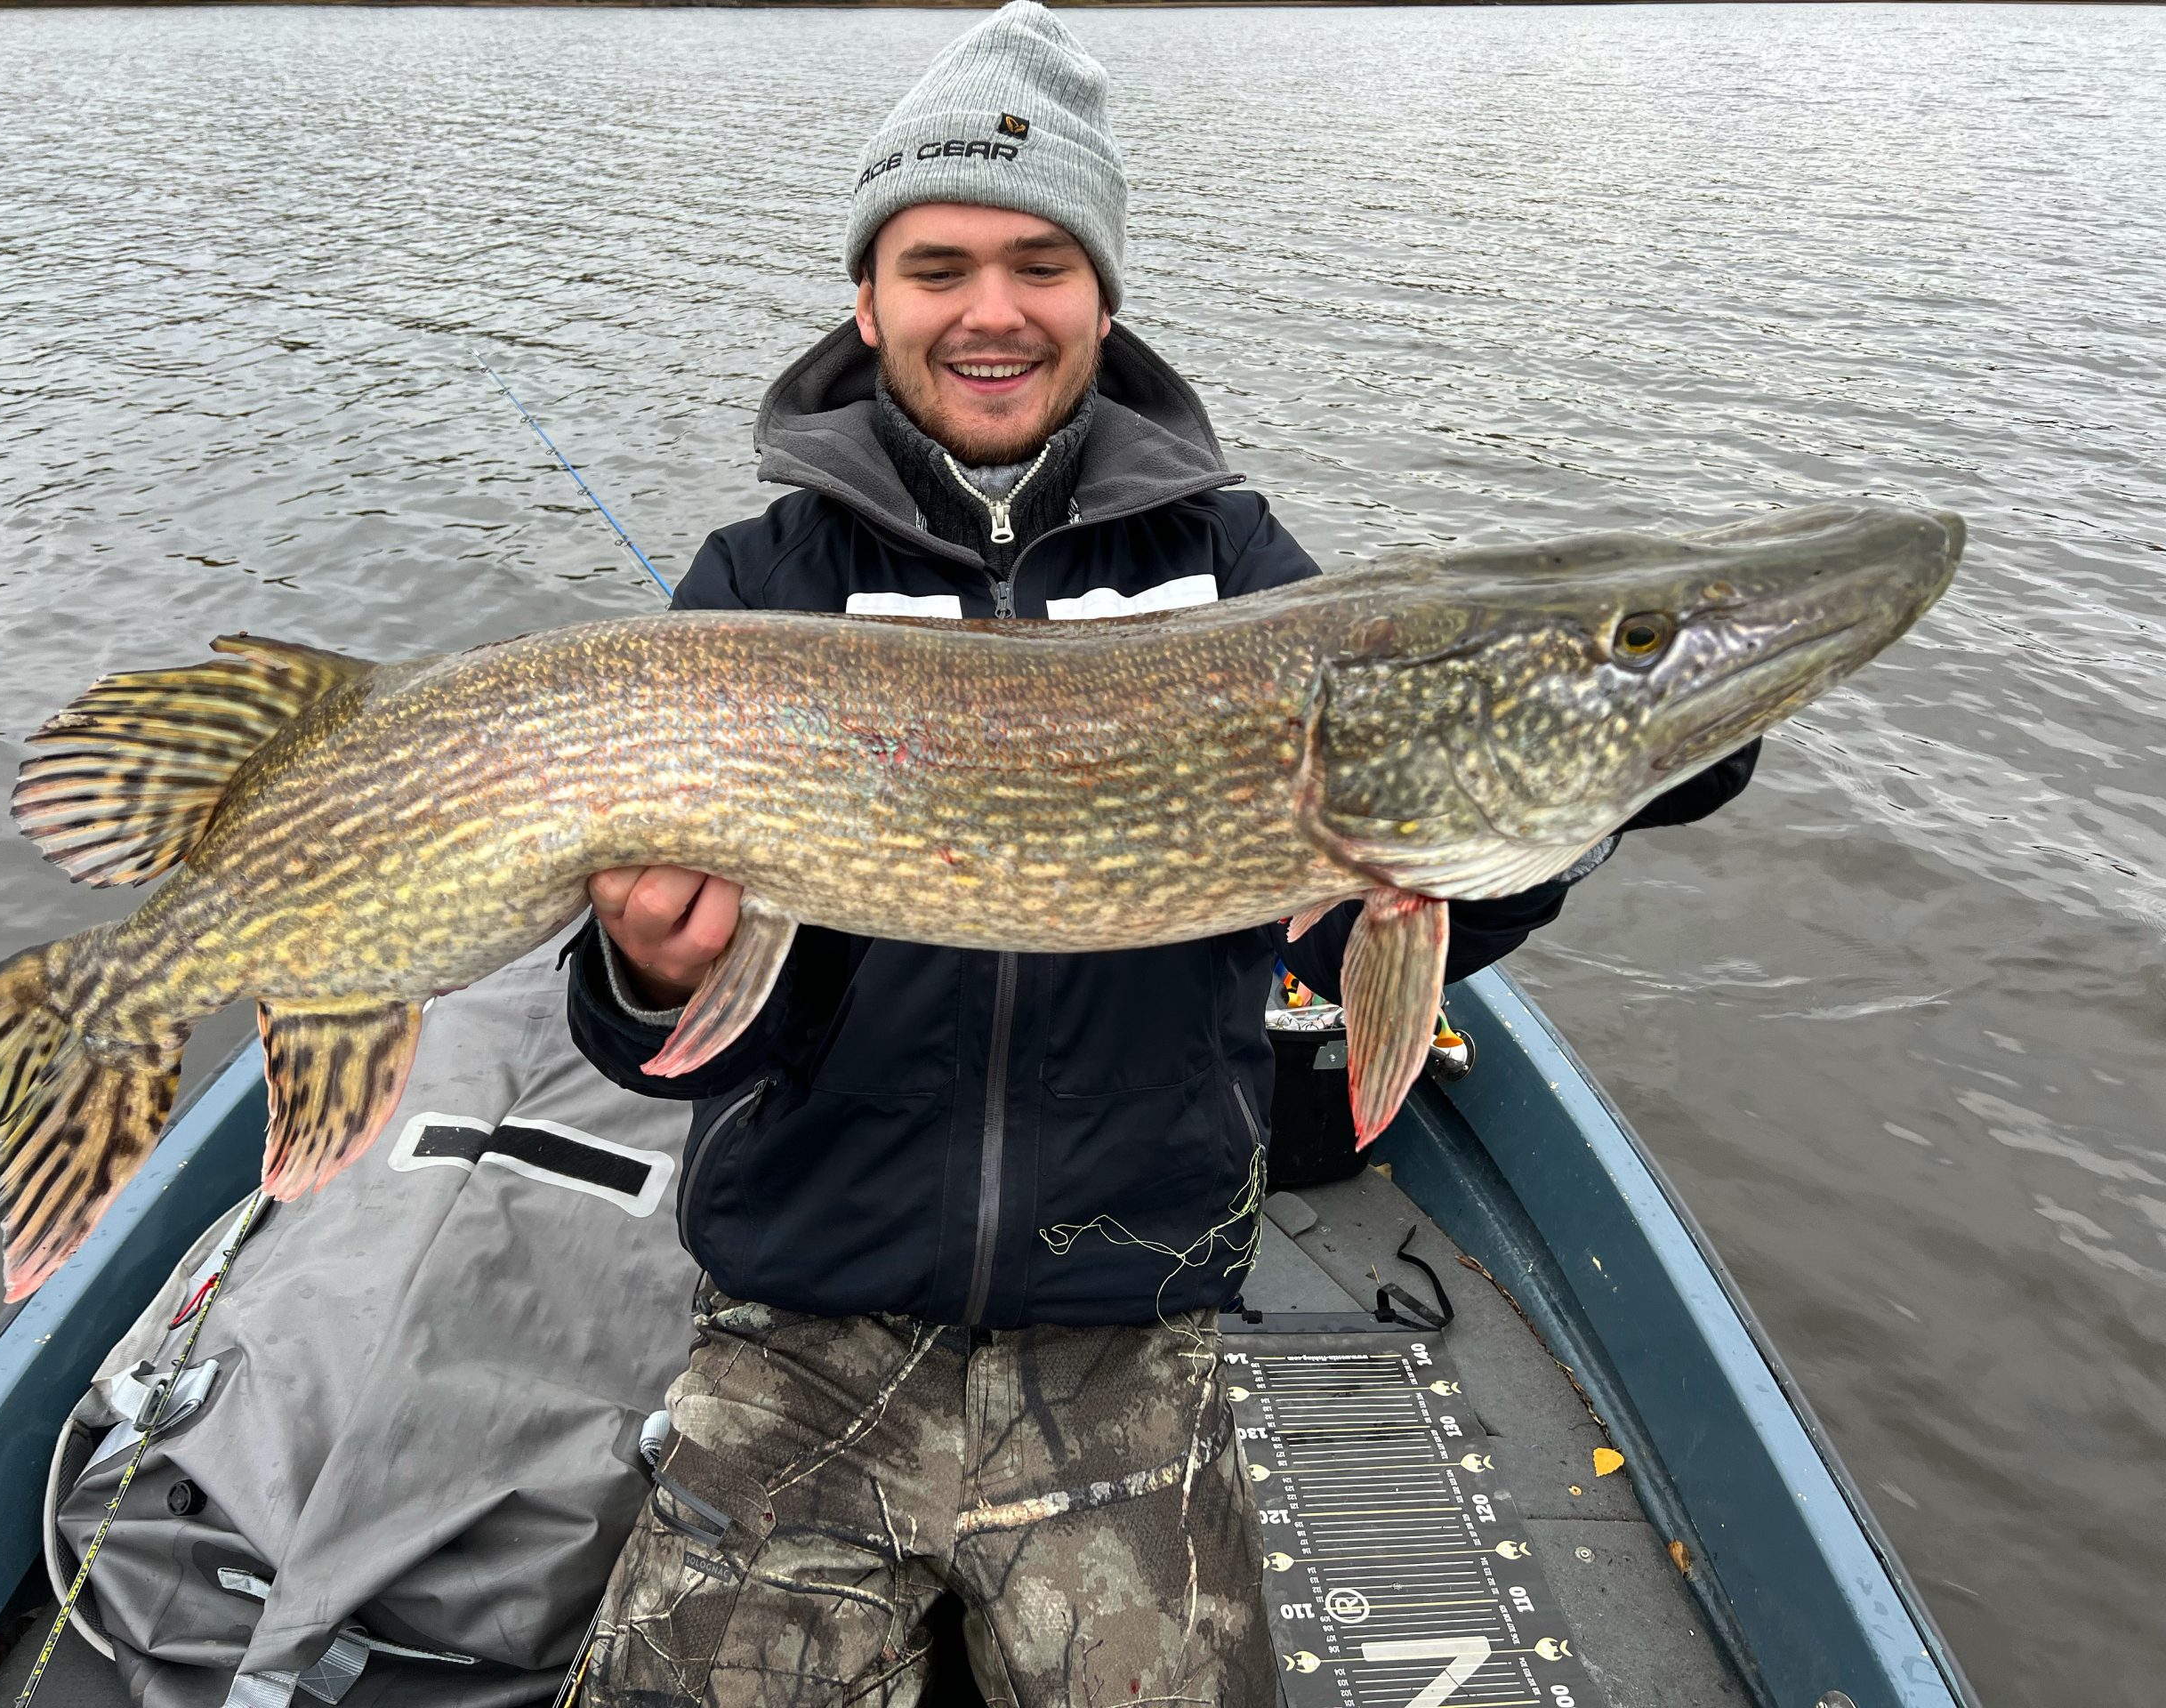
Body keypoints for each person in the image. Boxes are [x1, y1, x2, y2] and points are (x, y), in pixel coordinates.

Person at [564, 6, 1756, 1703]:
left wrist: (1597, 779)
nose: (991, 310)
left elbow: (1340, 949)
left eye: (1041, 262)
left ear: (1102, 297)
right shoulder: (761, 584)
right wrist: (650, 966)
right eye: (939, 265)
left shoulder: (1242, 573)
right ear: (869, 300)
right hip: (804, 1317)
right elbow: (641, 1040)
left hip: (1124, 1315)